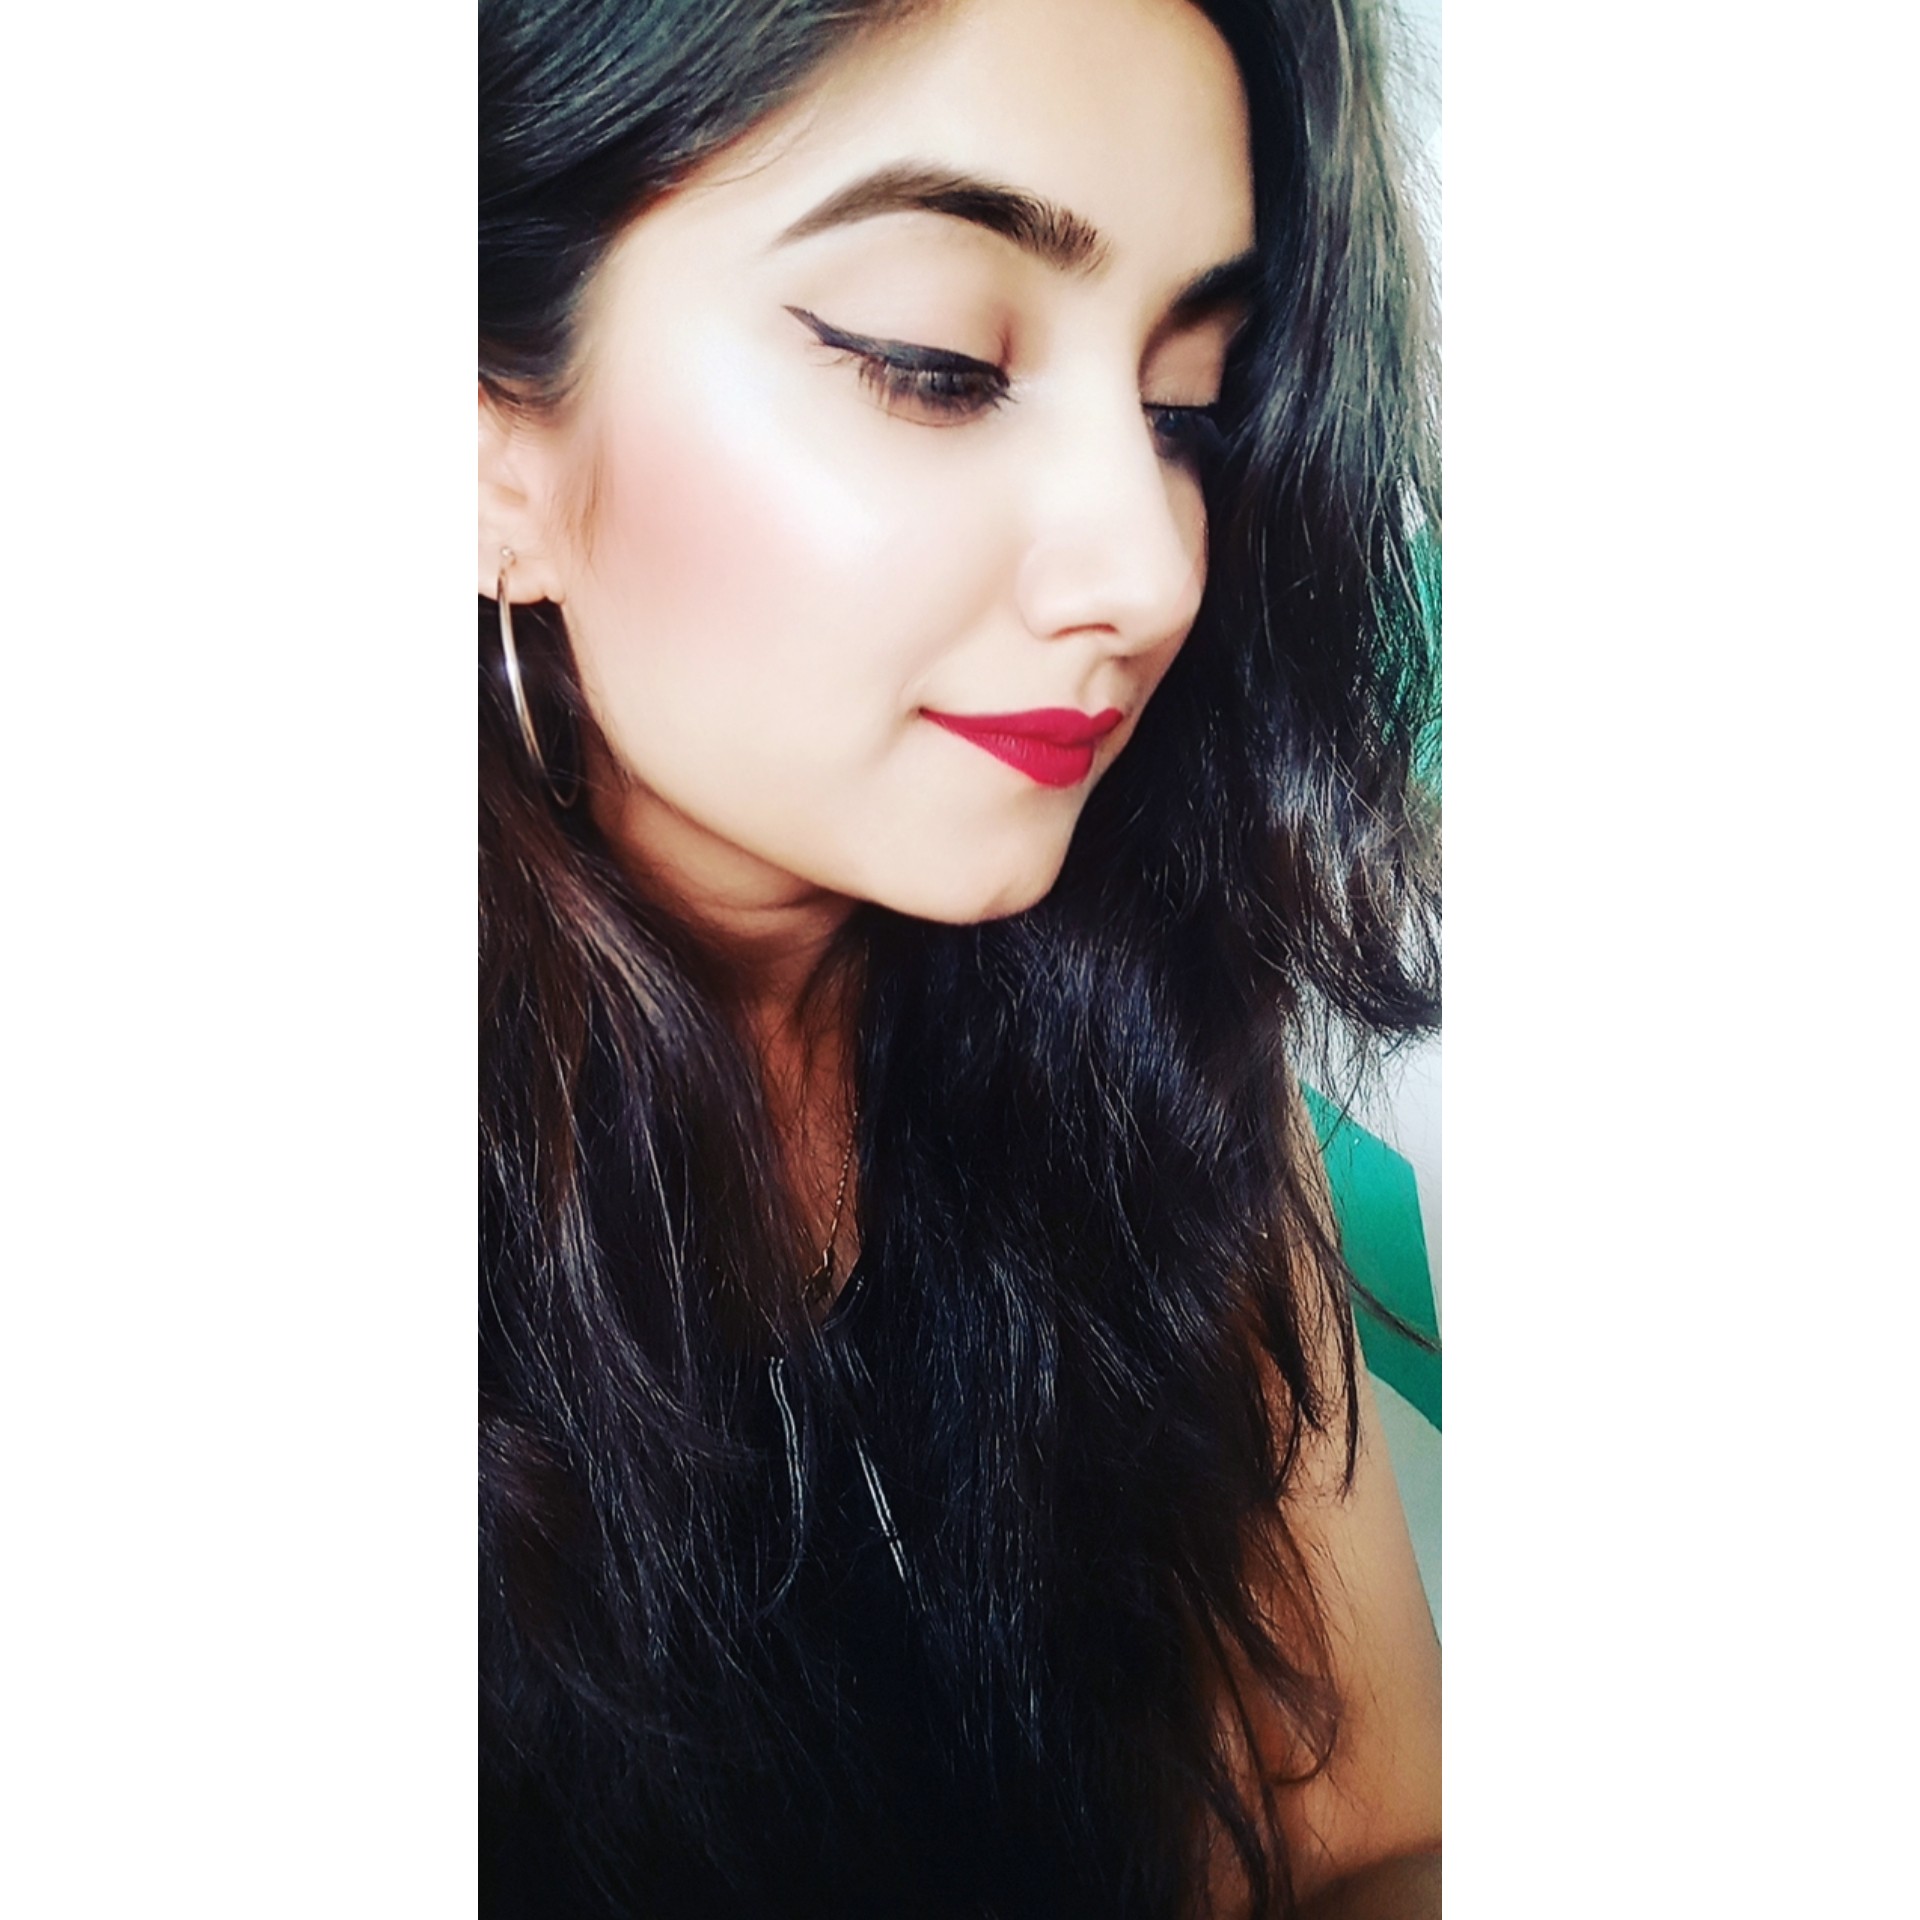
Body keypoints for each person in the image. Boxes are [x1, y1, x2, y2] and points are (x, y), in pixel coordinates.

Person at [478, 0, 1441, 1913]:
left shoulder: (1151, 1038)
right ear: (490, 448)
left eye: (1187, 409)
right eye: (937, 366)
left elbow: (1376, 1834)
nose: (1149, 571)